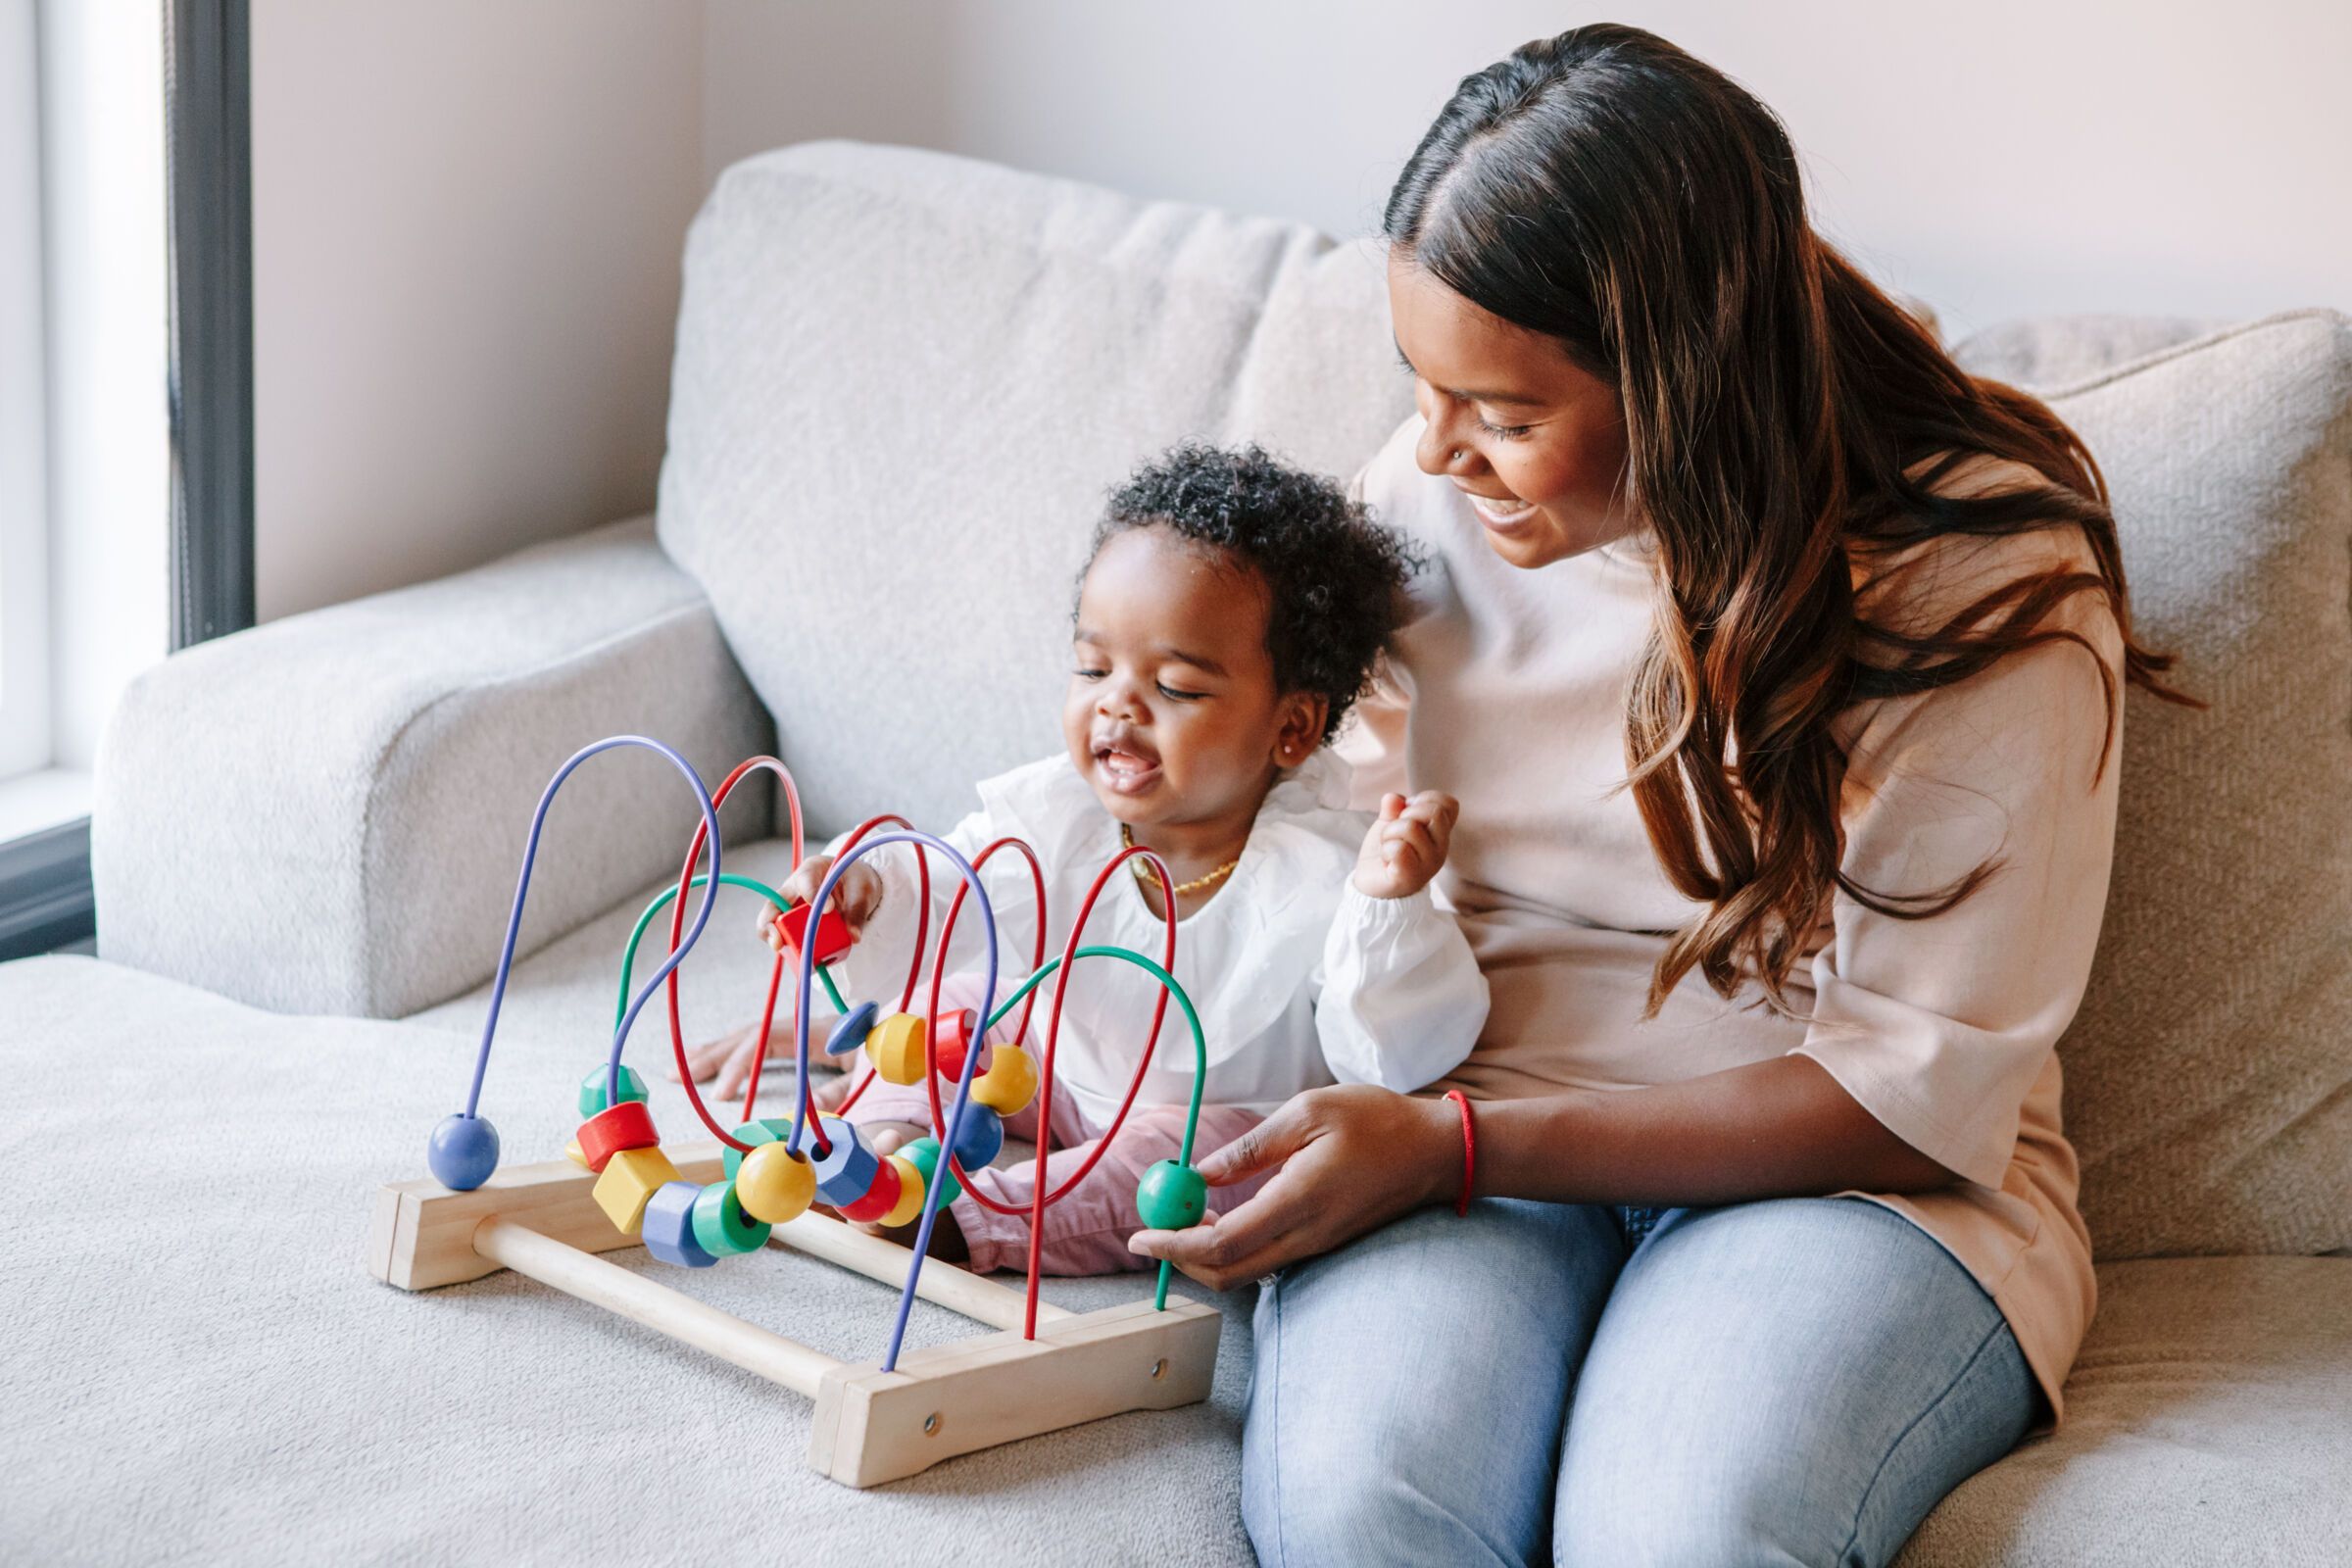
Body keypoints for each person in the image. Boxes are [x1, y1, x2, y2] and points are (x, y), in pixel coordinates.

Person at [1127, 25, 2187, 1567]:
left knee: (1679, 1534)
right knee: (1366, 1509)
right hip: (1468, 1126)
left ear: (1687, 382)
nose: (1433, 454)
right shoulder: (1430, 514)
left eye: (1500, 413)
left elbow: (1907, 1100)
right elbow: (1230, 771)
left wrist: (1465, 1150)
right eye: (1423, 389)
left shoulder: (1982, 588)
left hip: (1848, 1188)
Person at [693, 443, 1488, 1275]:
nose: (1117, 703)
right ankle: (882, 1137)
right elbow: (946, 888)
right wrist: (858, 887)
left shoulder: (1320, 874)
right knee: (955, 1005)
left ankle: (968, 1220)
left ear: (1290, 726)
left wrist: (1388, 905)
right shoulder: (1057, 818)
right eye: (1093, 667)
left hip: (1196, 1116)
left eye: (1176, 686)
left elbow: (1393, 1054)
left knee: (1188, 1162)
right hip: (1049, 1066)